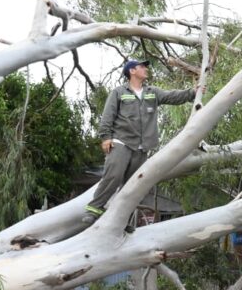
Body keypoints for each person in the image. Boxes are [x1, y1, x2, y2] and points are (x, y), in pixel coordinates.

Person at [83, 60, 195, 223]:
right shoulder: (119, 92)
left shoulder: (152, 92)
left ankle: (123, 221)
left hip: (142, 148)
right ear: (132, 71)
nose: (146, 69)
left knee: (132, 187)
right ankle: (93, 210)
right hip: (121, 142)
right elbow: (108, 116)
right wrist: (106, 137)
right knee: (113, 175)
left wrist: (192, 92)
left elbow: (172, 96)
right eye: (142, 67)